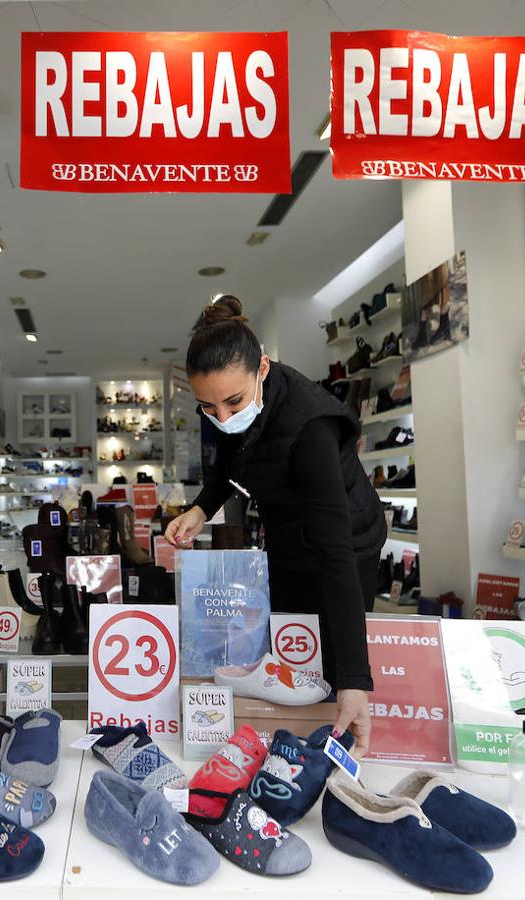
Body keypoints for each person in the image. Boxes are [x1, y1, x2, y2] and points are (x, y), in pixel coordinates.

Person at [165, 296, 386, 756]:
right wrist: (201, 509)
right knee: (290, 648)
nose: (223, 418)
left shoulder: (311, 429)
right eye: (208, 407)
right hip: (287, 535)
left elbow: (336, 555)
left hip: (346, 539)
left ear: (262, 368)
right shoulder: (230, 404)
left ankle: (333, 740)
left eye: (233, 403)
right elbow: (231, 458)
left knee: (332, 661)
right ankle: (286, 742)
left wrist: (355, 680)